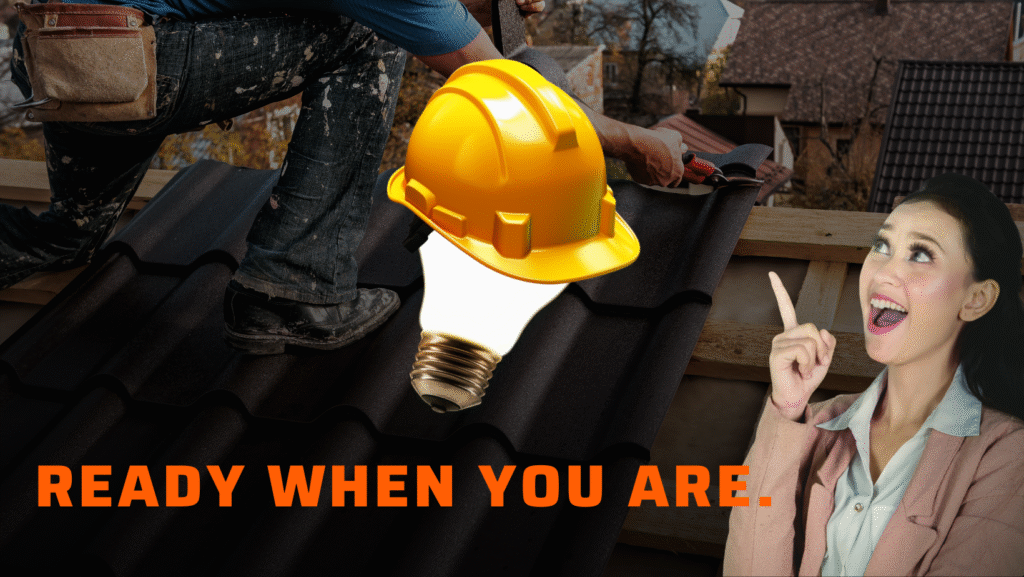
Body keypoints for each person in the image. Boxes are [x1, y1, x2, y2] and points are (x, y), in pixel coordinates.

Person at [1, 0, 688, 354]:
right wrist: (637, 142)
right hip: (134, 62)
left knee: (67, 240)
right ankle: (294, 286)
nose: (476, 17)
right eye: (490, 8)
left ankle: (39, 238)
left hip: (60, 60)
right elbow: (502, 83)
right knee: (369, 37)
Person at [724, 174, 1024, 576]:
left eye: (920, 254)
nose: (883, 272)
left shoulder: (1007, 455)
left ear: (976, 299)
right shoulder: (818, 423)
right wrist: (788, 410)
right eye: (882, 246)